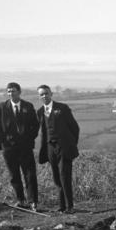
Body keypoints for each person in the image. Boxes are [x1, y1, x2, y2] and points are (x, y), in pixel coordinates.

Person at [0, 82, 40, 209]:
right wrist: (3, 141)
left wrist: (29, 139)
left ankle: (33, 201)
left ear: (19, 92)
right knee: (14, 175)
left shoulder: (28, 106)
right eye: (8, 91)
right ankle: (21, 200)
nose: (10, 93)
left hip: (26, 147)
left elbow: (35, 125)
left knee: (30, 174)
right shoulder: (1, 107)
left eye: (13, 91)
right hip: (9, 148)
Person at [36, 85, 81, 213]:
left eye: (46, 93)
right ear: (39, 97)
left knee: (65, 176)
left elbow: (75, 128)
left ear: (51, 94)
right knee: (56, 177)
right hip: (50, 148)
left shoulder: (63, 108)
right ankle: (62, 206)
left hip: (64, 148)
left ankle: (70, 206)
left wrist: (71, 145)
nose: (44, 96)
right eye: (41, 94)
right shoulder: (39, 112)